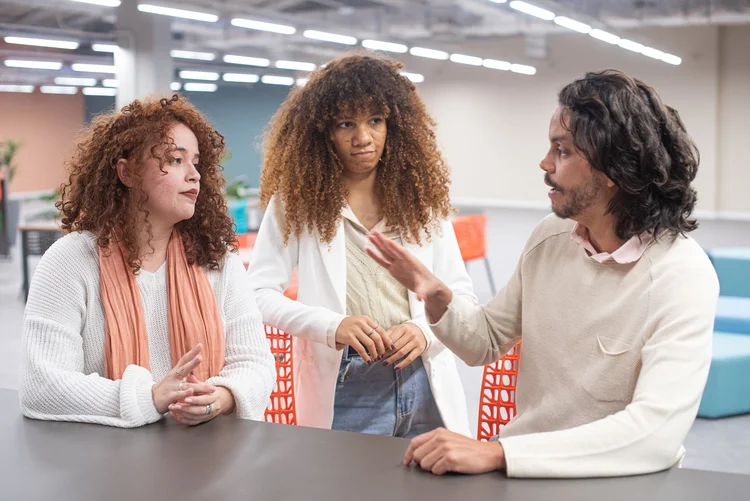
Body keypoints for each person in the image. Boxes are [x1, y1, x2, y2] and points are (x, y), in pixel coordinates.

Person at [368, 69, 719, 476]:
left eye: (563, 151)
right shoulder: (550, 237)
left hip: (621, 481)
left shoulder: (681, 275)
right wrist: (435, 294)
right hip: (525, 471)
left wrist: (499, 454)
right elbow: (484, 341)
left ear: (613, 170)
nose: (545, 163)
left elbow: (654, 435)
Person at [248, 53, 476, 437]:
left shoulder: (420, 200)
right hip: (346, 384)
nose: (362, 138)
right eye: (345, 124)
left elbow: (461, 295)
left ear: (394, 125)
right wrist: (330, 325)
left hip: (423, 377)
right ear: (323, 133)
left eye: (375, 120)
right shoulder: (296, 202)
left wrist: (424, 330)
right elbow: (256, 293)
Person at [19, 94, 276, 428]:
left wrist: (221, 397)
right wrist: (149, 397)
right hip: (103, 462)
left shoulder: (217, 258)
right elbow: (42, 385)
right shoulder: (70, 261)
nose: (194, 174)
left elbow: (255, 363)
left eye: (196, 162)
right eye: (175, 159)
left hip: (207, 458)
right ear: (127, 172)